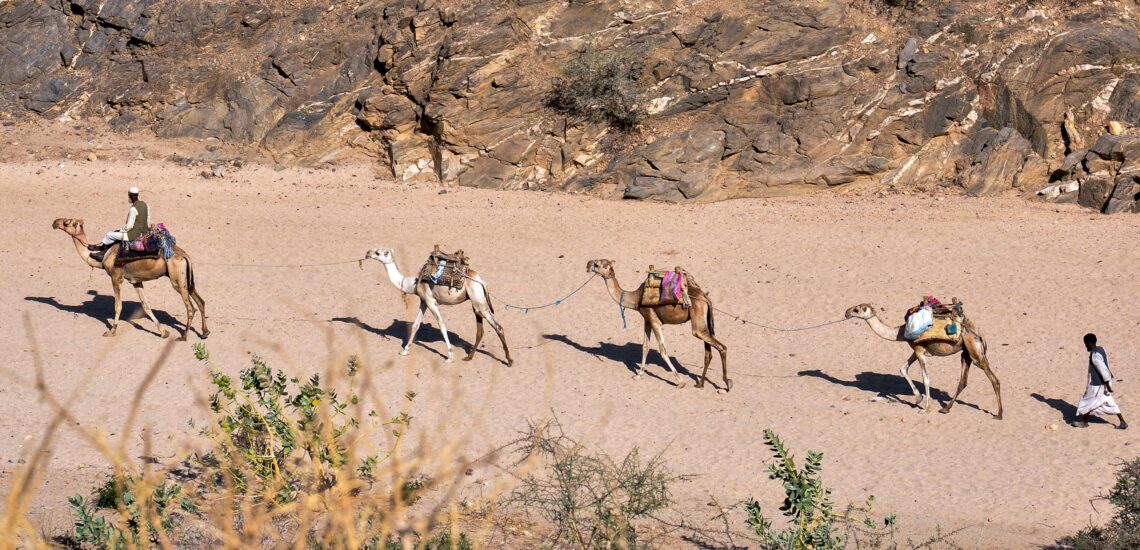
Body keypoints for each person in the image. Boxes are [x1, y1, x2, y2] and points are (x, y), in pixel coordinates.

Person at [1073, 333, 1128, 429]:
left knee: (1087, 402)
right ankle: (1123, 422)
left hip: (1097, 384)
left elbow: (1102, 369)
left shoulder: (1094, 355)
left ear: (1090, 343)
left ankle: (1084, 422)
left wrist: (1107, 384)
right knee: (1109, 402)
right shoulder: (1101, 349)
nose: (1085, 346)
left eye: (1086, 344)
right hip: (1104, 383)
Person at [88, 186, 150, 252]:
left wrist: (122, 230)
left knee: (109, 234)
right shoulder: (146, 205)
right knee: (115, 231)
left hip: (133, 235)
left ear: (130, 196)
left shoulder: (133, 209)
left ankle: (101, 249)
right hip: (144, 233)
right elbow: (148, 220)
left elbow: (129, 226)